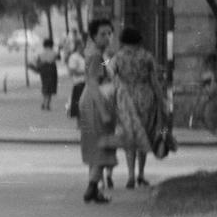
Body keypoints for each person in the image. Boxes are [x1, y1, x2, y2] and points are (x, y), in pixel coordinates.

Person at [110, 27, 166, 188]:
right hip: (145, 97)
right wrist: (161, 99)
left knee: (130, 137)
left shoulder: (118, 57)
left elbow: (108, 69)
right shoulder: (147, 56)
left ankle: (130, 176)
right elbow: (154, 80)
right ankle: (141, 174)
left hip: (125, 99)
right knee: (144, 135)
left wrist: (102, 60)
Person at [76, 18, 119, 203]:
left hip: (91, 101)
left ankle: (95, 189)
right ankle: (92, 187)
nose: (107, 37)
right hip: (95, 102)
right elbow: (93, 84)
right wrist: (104, 112)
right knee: (103, 145)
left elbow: (103, 73)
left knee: (96, 146)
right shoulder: (95, 55)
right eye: (102, 34)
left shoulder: (98, 54)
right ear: (93, 36)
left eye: (109, 33)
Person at [31, 37, 59, 111]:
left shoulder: (41, 53)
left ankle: (44, 102)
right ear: (51, 45)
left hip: (44, 70)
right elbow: (58, 58)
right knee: (51, 86)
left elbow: (36, 61)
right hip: (52, 70)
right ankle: (48, 104)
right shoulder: (54, 52)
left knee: (45, 85)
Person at [65, 36, 88, 119]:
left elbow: (99, 64)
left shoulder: (86, 56)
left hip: (87, 83)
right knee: (79, 107)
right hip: (79, 83)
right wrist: (86, 72)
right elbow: (72, 71)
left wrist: (107, 61)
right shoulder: (74, 57)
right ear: (78, 46)